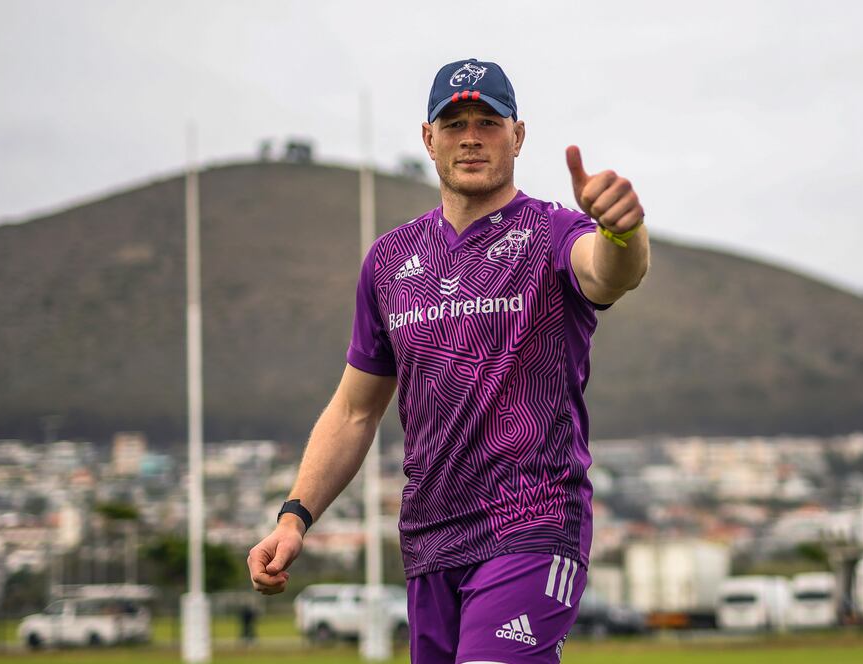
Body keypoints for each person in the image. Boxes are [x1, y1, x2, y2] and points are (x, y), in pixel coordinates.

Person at [248, 57, 650, 664]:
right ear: (428, 138)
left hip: (531, 525)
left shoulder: (553, 233)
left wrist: (623, 232)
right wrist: (293, 518)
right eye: (455, 123)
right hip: (431, 542)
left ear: (518, 135)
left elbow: (610, 273)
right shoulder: (390, 261)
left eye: (488, 122)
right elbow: (355, 412)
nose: (470, 137)